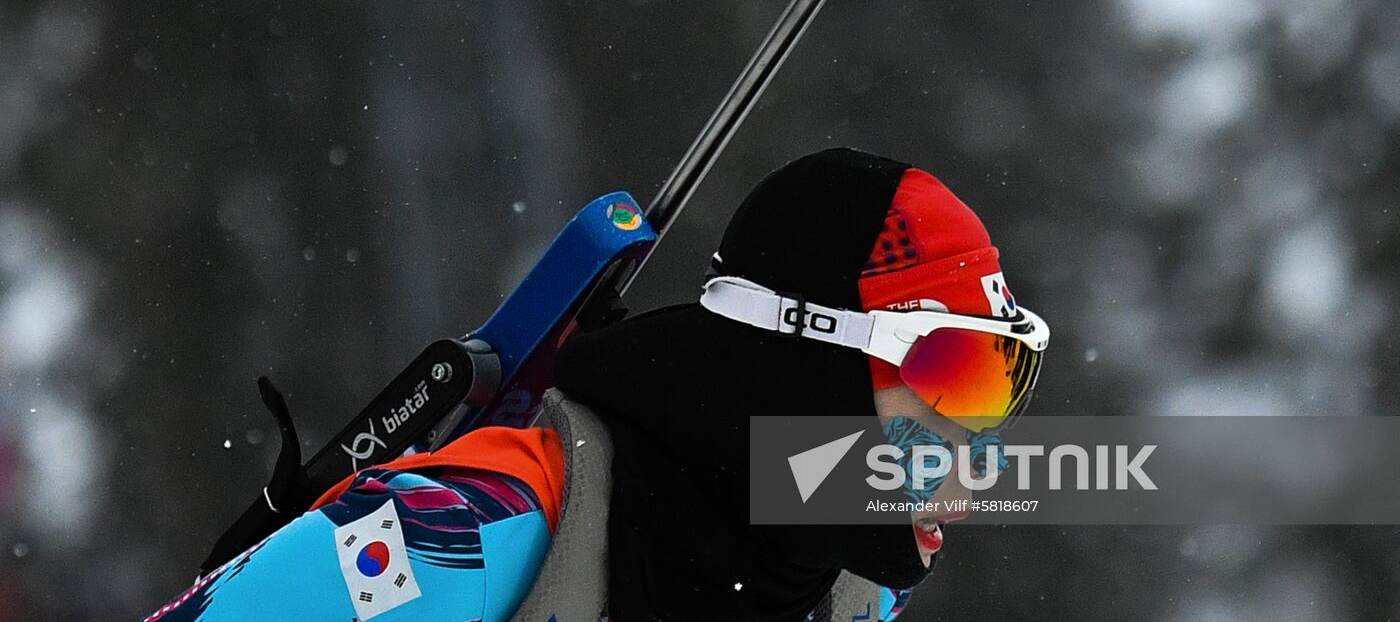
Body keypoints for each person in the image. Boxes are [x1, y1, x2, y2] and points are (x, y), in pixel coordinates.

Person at [145, 147, 1048, 622]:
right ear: (805, 363)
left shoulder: (846, 586)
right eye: (951, 372)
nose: (979, 449)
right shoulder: (453, 540)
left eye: (1006, 382)